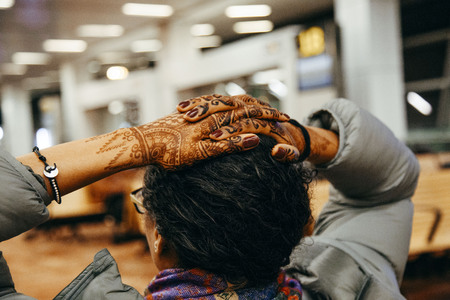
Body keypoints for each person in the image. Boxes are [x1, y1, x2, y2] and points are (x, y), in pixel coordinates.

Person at [0, 94, 419, 299]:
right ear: (305, 227)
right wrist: (305, 137)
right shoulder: (355, 284)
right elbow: (388, 187)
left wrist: (136, 142)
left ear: (160, 238)